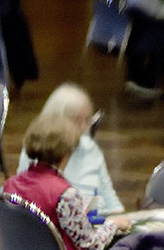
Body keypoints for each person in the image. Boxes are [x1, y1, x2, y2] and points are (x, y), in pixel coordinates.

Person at [3, 114, 131, 250]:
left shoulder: (11, 185)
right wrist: (113, 224)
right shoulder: (64, 195)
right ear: (66, 153)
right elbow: (91, 246)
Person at [16, 83, 124, 215]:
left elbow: (109, 197)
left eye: (87, 120)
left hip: (101, 222)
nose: (84, 127)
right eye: (77, 121)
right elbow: (26, 202)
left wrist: (122, 219)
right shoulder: (37, 153)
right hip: (68, 227)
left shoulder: (90, 148)